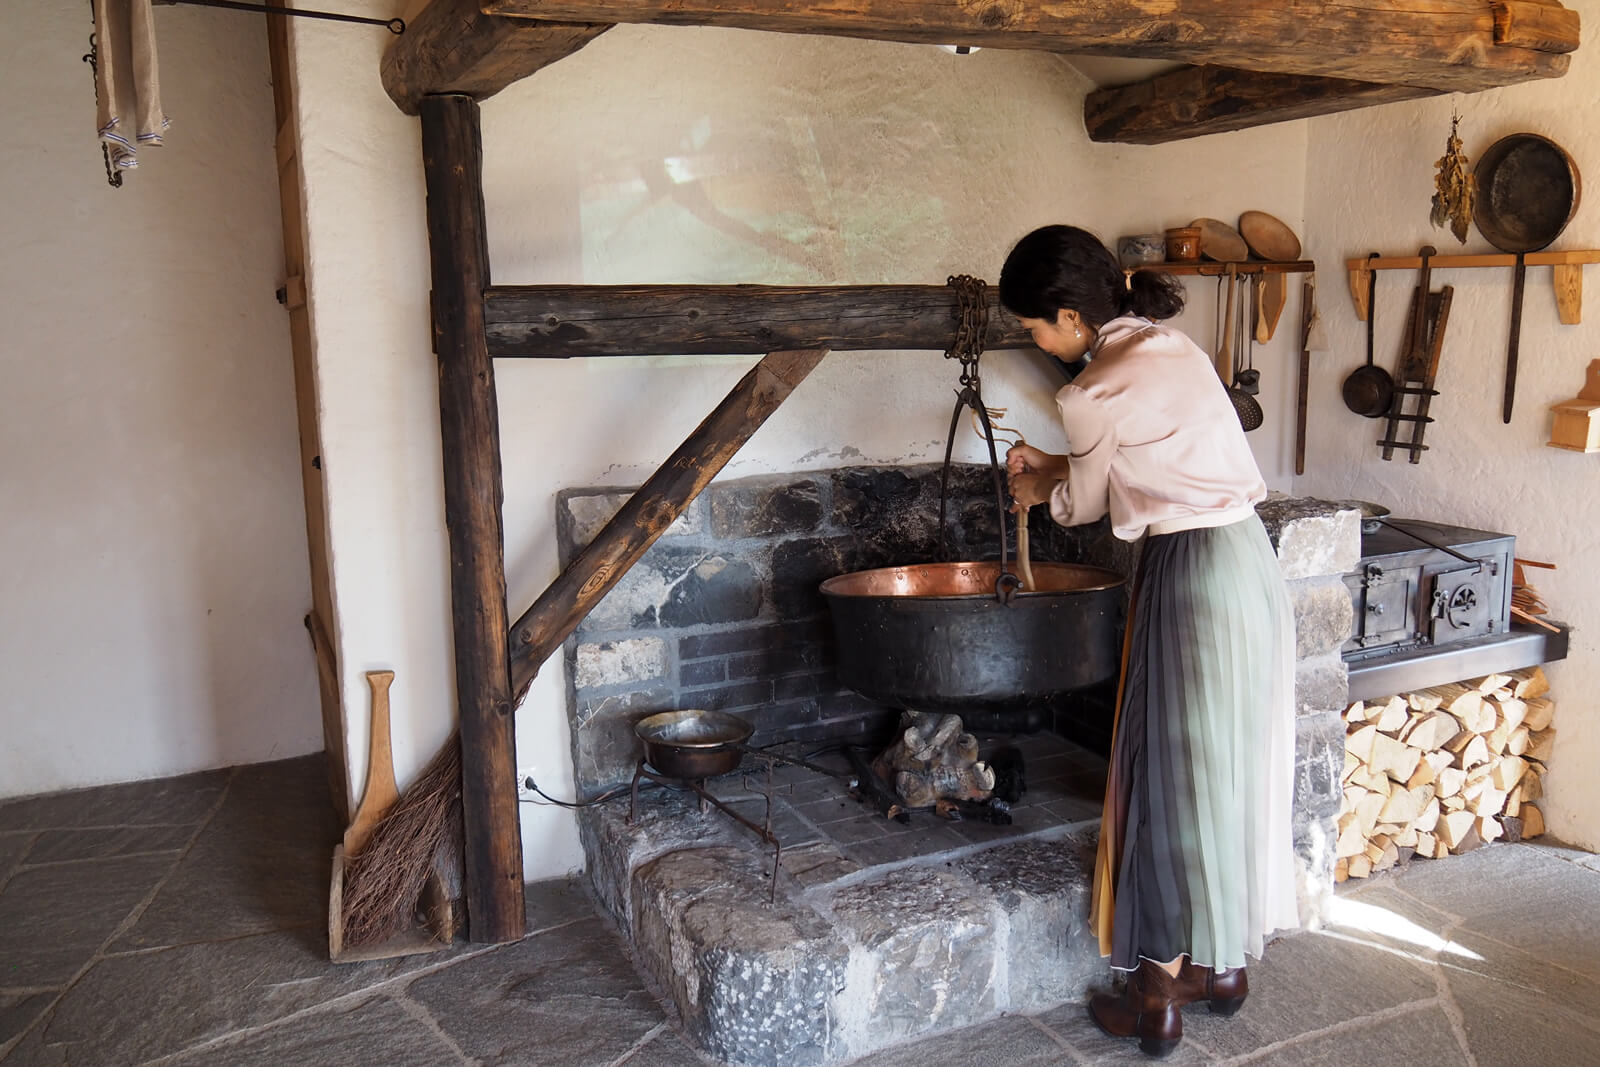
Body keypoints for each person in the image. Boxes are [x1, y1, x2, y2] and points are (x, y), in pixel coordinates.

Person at [998, 224, 1298, 1058]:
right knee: (1225, 765)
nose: (1036, 342)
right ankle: (1220, 964)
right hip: (1247, 560)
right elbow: (1142, 457)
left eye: (1032, 329)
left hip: (1189, 573)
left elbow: (1087, 503)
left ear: (1065, 316)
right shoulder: (1172, 348)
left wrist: (1038, 485)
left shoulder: (1087, 391)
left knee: (1165, 777)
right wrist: (1054, 465)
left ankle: (1158, 991)